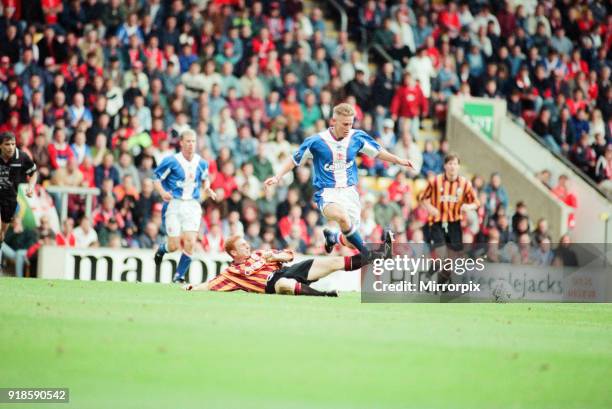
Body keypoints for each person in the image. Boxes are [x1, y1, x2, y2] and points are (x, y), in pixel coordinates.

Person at [264, 103, 412, 255]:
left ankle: (333, 237)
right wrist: (277, 176)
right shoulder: (316, 141)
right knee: (342, 217)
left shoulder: (357, 137)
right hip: (327, 193)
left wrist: (398, 160)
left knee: (350, 241)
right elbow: (294, 159)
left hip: (349, 192)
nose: (349, 127)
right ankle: (369, 253)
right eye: (345, 124)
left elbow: (378, 152)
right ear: (333, 121)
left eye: (351, 123)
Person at [185, 233, 392, 296]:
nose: (247, 247)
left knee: (335, 262)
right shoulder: (232, 272)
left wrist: (276, 258)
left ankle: (380, 253)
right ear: (232, 252)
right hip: (272, 284)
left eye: (247, 244)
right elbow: (212, 284)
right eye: (242, 246)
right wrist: (194, 287)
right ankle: (324, 295)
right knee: (283, 284)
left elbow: (289, 254)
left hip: (288, 270)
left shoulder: (260, 254)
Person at [153, 130, 217, 283]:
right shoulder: (171, 161)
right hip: (174, 204)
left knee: (191, 242)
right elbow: (156, 178)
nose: (191, 144)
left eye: (193, 141)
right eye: (188, 141)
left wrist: (207, 188)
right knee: (174, 245)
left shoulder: (201, 162)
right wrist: (162, 192)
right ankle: (162, 250)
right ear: (181, 143)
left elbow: (205, 178)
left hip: (192, 205)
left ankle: (179, 276)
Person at [420, 153, 479, 254]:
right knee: (441, 251)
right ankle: (438, 266)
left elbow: (476, 203)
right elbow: (423, 198)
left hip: (454, 222)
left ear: (459, 166)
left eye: (455, 164)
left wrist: (468, 206)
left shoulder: (465, 183)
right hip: (437, 221)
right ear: (445, 166)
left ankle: (442, 268)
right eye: (450, 163)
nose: (453, 166)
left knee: (453, 253)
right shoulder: (435, 181)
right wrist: (430, 208)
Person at [0, 132, 37, 272]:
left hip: (9, 200)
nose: (10, 147)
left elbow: (34, 172)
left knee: (1, 233)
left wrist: (31, 186)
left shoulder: (21, 157)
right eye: (7, 144)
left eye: (13, 144)